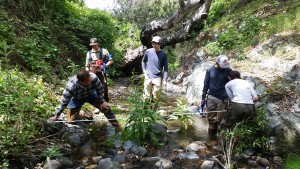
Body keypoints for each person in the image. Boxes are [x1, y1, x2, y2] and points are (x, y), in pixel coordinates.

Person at [49, 70, 121, 130]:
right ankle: (82, 114)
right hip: (77, 99)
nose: (90, 82)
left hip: (91, 95)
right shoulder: (71, 86)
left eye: (90, 80)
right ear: (81, 81)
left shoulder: (93, 77)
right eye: (88, 82)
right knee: (70, 122)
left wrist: (102, 101)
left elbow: (100, 90)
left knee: (106, 108)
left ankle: (118, 128)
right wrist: (56, 116)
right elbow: (64, 102)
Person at [201, 54, 232, 140]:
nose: (223, 67)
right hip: (211, 97)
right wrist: (203, 98)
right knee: (211, 119)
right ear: (217, 63)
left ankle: (220, 141)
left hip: (223, 99)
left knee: (221, 120)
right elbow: (206, 84)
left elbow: (232, 84)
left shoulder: (228, 70)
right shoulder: (210, 70)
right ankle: (211, 140)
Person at [85, 38, 113, 102]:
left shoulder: (104, 51)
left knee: (103, 88)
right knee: (94, 89)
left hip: (102, 73)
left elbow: (111, 61)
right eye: (92, 45)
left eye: (94, 45)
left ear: (98, 44)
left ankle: (103, 103)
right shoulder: (88, 53)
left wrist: (104, 66)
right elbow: (87, 66)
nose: (93, 46)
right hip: (92, 74)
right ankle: (98, 103)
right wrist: (86, 75)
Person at [141, 36, 168, 101]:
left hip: (158, 77)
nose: (154, 45)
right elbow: (143, 61)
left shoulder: (163, 54)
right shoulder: (148, 51)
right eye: (153, 43)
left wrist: (164, 80)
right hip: (148, 77)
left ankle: (154, 110)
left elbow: (166, 69)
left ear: (160, 44)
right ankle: (145, 110)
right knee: (146, 97)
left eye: (156, 43)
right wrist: (144, 70)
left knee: (156, 97)